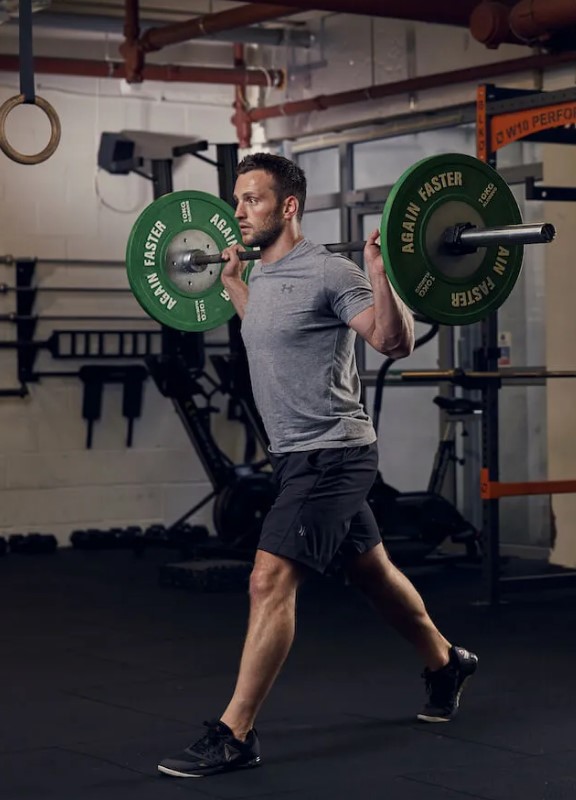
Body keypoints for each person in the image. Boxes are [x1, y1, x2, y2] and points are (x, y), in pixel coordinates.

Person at [157, 153, 478, 779]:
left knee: (267, 580)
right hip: (294, 457)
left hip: (332, 454)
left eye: (252, 200)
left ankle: (235, 732)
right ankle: (446, 663)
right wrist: (231, 287)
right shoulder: (264, 275)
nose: (239, 212)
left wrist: (384, 274)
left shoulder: (331, 272)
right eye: (237, 199)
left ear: (289, 207)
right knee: (374, 575)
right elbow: (272, 335)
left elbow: (392, 341)